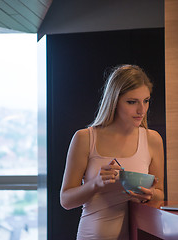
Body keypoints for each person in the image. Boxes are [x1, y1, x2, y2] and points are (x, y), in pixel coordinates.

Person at [60, 64, 165, 239]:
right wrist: (95, 184)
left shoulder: (152, 139)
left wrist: (150, 194)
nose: (142, 110)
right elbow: (66, 200)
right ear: (114, 101)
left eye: (146, 100)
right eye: (132, 102)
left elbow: (160, 192)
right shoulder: (85, 138)